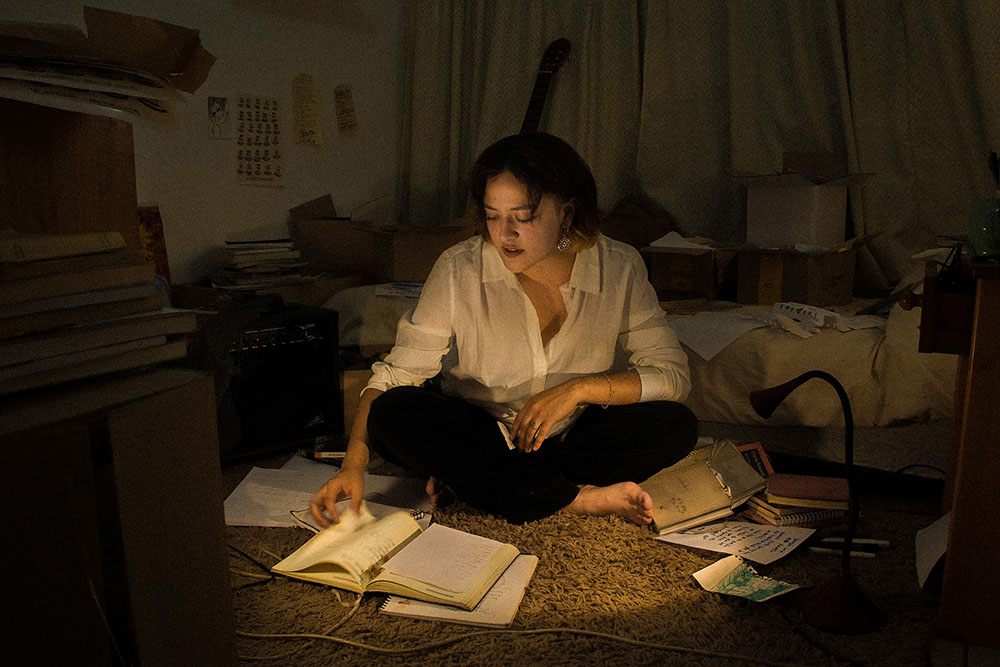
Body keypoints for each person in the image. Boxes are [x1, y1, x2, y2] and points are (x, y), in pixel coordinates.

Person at [310, 132, 697, 528]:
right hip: (480, 430)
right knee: (393, 413)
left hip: (572, 433)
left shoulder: (618, 266)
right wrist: (352, 466)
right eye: (493, 216)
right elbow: (394, 377)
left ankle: (493, 481)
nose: (505, 234)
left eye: (523, 217)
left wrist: (577, 390)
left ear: (567, 213)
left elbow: (671, 374)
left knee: (676, 425)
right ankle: (572, 497)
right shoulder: (459, 268)